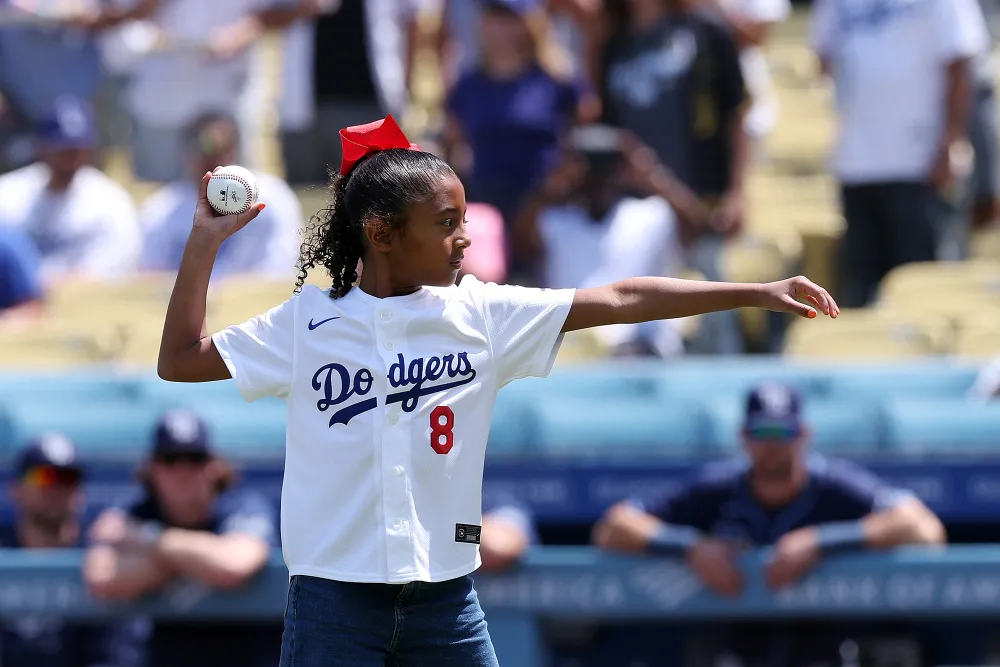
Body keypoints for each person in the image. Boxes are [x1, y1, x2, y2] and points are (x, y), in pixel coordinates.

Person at [154, 113, 838, 666]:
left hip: (445, 601)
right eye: (446, 222)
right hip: (334, 602)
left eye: (463, 218)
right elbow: (180, 359)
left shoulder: (481, 311)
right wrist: (203, 243)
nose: (465, 237)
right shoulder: (309, 321)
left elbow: (623, 294)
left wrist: (755, 290)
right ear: (382, 232)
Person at [593, 382, 946, 667]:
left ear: (804, 433)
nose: (773, 444)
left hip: (824, 656)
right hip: (737, 655)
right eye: (763, 431)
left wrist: (823, 541)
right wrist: (689, 547)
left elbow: (925, 529)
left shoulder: (834, 485)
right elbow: (613, 527)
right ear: (744, 436)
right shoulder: (719, 487)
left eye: (784, 431)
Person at [810, 0, 989, 307]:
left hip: (920, 164)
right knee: (862, 292)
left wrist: (950, 141)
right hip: (857, 163)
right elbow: (823, 56)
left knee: (922, 290)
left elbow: (960, 65)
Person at [600, 0, 750, 354]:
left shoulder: (706, 32)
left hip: (700, 204)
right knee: (640, 325)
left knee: (712, 313)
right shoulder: (614, 42)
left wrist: (737, 192)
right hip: (633, 212)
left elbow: (737, 115)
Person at [83, 409, 280, 667]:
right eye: (170, 460)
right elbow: (101, 576)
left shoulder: (241, 504)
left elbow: (234, 565)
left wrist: (151, 540)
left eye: (194, 459)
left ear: (213, 466)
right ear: (152, 468)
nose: (183, 471)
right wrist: (200, 561)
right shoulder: (134, 512)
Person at [444, 0, 599, 279]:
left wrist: (559, 186)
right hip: (486, 199)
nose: (500, 28)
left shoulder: (557, 79)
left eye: (509, 19)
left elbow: (586, 135)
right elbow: (452, 146)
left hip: (547, 203)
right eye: (494, 18)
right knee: (484, 274)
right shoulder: (467, 85)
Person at [515, 124, 700, 356]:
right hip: (575, 350)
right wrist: (552, 184)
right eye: (588, 167)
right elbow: (519, 246)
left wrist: (646, 169)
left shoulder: (651, 215)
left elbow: (697, 228)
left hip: (642, 348)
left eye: (606, 166)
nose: (597, 176)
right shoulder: (553, 220)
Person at [1, 434, 145, 667]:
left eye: (67, 478)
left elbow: (115, 655)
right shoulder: (3, 556)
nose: (54, 487)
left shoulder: (103, 561)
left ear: (81, 492)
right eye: (42, 476)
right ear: (16, 489)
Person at [139, 112, 303, 279]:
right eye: (201, 149)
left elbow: (279, 270)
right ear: (185, 154)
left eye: (221, 148)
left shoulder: (272, 197)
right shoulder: (161, 209)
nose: (211, 159)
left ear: (235, 149)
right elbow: (149, 278)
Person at [0, 95, 141, 283]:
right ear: (41, 147)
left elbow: (113, 271)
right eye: (62, 149)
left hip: (86, 305)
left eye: (77, 148)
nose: (71, 157)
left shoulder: (111, 202)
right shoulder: (9, 193)